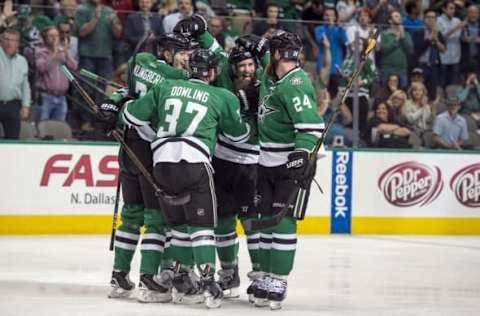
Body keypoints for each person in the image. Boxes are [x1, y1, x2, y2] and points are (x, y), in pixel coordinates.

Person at [119, 48, 251, 309]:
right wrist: (246, 119)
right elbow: (238, 135)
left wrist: (123, 100)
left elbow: (131, 116)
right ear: (212, 72)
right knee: (201, 227)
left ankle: (175, 281)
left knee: (177, 226)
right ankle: (207, 283)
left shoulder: (166, 86)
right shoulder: (221, 95)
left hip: (162, 164)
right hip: (194, 163)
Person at [100, 33, 196, 303]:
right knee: (156, 217)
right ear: (166, 53)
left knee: (131, 213)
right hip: (151, 151)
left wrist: (113, 103)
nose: (187, 57)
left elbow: (127, 92)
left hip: (129, 145)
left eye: (188, 52)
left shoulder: (140, 61)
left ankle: (119, 276)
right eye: (181, 52)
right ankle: (148, 279)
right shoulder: (179, 79)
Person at [175, 14, 266, 298]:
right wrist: (200, 29)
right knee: (224, 220)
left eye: (252, 64)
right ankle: (229, 272)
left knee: (252, 223)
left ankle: (261, 276)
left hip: (252, 164)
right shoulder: (225, 76)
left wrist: (263, 49)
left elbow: (273, 72)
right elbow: (214, 52)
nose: (247, 69)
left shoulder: (265, 84)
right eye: (243, 65)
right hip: (222, 160)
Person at [252, 30, 324, 310]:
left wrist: (301, 154)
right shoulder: (275, 79)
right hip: (266, 161)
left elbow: (311, 127)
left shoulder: (295, 83)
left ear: (279, 54)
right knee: (266, 220)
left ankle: (278, 278)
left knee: (282, 221)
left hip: (287, 164)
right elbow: (266, 65)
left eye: (272, 52)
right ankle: (267, 275)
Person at [35, 23, 78, 121]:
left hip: (62, 97)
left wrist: (67, 54)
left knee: (59, 128)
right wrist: (54, 54)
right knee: (42, 128)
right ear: (45, 38)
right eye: (51, 36)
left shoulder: (63, 52)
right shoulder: (40, 51)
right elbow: (41, 68)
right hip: (46, 96)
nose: (54, 38)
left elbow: (74, 66)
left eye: (56, 36)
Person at [0, 28, 30, 139]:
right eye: (6, 39)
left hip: (13, 105)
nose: (9, 42)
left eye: (13, 40)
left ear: (17, 43)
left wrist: (26, 105)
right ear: (1, 40)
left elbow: (25, 86)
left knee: (13, 139)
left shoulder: (22, 61)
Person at [413, 8, 446, 101]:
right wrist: (429, 39)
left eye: (433, 17)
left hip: (434, 66)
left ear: (436, 20)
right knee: (419, 92)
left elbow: (444, 49)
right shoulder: (418, 33)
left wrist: (436, 41)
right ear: (424, 19)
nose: (431, 19)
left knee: (432, 94)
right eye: (428, 17)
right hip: (421, 66)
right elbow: (417, 50)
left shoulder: (439, 34)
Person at [377, 10, 413, 88]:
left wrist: (403, 37)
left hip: (401, 69)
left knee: (401, 92)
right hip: (387, 68)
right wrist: (396, 39)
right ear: (390, 20)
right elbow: (383, 50)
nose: (399, 18)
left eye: (400, 16)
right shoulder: (384, 34)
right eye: (396, 16)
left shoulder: (406, 34)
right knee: (385, 92)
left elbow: (410, 50)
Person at [437, 0, 465, 87]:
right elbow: (443, 37)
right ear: (444, 9)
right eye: (451, 8)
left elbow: (458, 36)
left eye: (454, 8)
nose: (453, 10)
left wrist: (460, 30)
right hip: (443, 55)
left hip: (456, 55)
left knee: (453, 82)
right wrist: (456, 28)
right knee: (443, 80)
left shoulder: (457, 20)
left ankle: (452, 99)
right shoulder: (438, 20)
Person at [401, 81, 434, 147]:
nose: (417, 92)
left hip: (425, 132)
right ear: (411, 92)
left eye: (420, 90)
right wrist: (422, 108)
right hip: (412, 131)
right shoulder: (407, 103)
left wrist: (431, 110)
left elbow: (427, 121)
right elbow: (411, 119)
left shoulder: (426, 106)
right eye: (415, 90)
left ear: (423, 92)